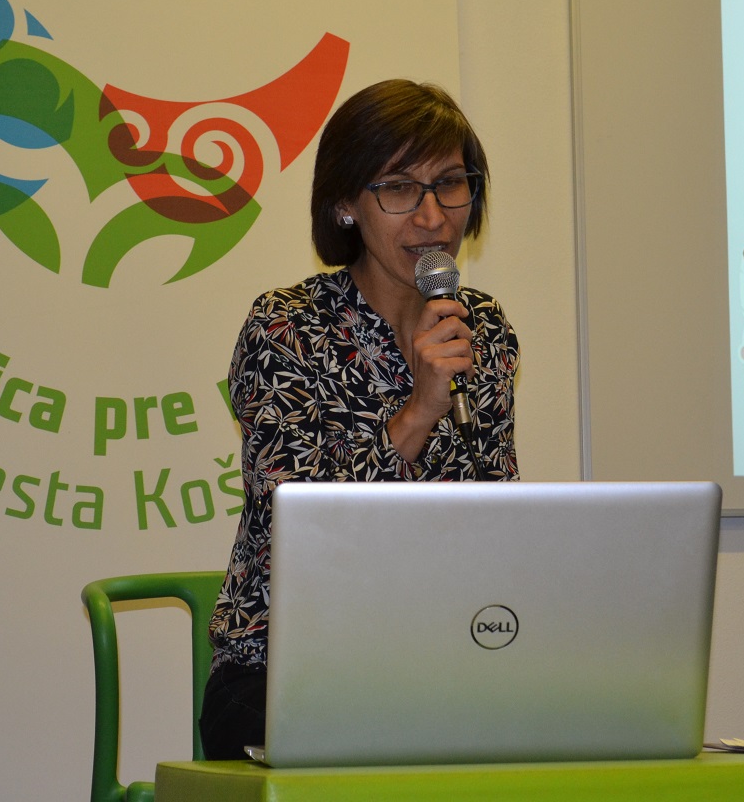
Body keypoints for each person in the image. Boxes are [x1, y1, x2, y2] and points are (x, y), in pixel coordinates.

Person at [198, 79, 520, 760]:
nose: (432, 217)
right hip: (283, 669)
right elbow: (299, 533)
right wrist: (419, 412)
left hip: (441, 662)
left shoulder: (484, 330)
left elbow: (496, 522)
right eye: (399, 188)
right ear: (345, 204)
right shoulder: (285, 329)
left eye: (450, 184)